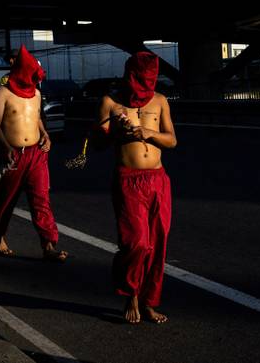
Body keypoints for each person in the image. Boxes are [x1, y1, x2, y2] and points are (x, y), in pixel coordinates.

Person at [93, 51, 177, 324]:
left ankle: (149, 301)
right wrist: (115, 131)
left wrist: (149, 134)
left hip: (158, 179)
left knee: (157, 243)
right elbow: (97, 143)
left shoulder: (161, 101)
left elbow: (172, 140)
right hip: (128, 180)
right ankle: (130, 294)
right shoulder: (110, 103)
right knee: (136, 243)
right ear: (129, 76)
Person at [0, 45, 66, 262]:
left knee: (41, 200)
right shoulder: (3, 93)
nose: (34, 78)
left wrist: (45, 135)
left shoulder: (37, 94)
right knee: (5, 201)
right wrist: (5, 147)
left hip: (37, 154)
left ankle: (48, 244)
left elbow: (37, 118)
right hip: (12, 155)